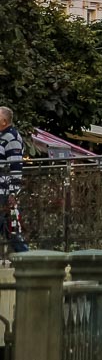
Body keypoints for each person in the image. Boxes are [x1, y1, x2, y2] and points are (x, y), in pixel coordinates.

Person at [0, 106, 28, 253]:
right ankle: (26, 257)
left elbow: (16, 166)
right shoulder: (2, 136)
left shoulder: (11, 137)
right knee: (9, 230)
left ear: (4, 121)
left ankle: (27, 258)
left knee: (9, 228)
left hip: (3, 191)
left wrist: (13, 192)